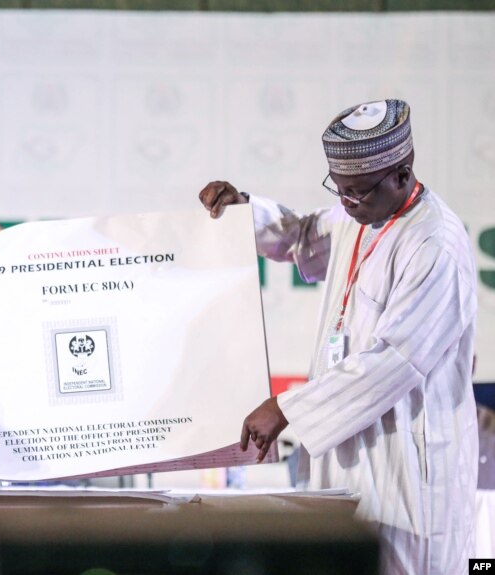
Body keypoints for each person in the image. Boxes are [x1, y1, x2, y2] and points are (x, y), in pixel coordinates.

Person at [199, 99, 478, 574]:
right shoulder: (362, 213)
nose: (346, 203)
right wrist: (242, 208)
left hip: (410, 469)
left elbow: (394, 360)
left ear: (403, 174)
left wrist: (287, 408)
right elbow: (302, 235)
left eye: (358, 192)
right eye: (339, 190)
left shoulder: (435, 244)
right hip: (351, 458)